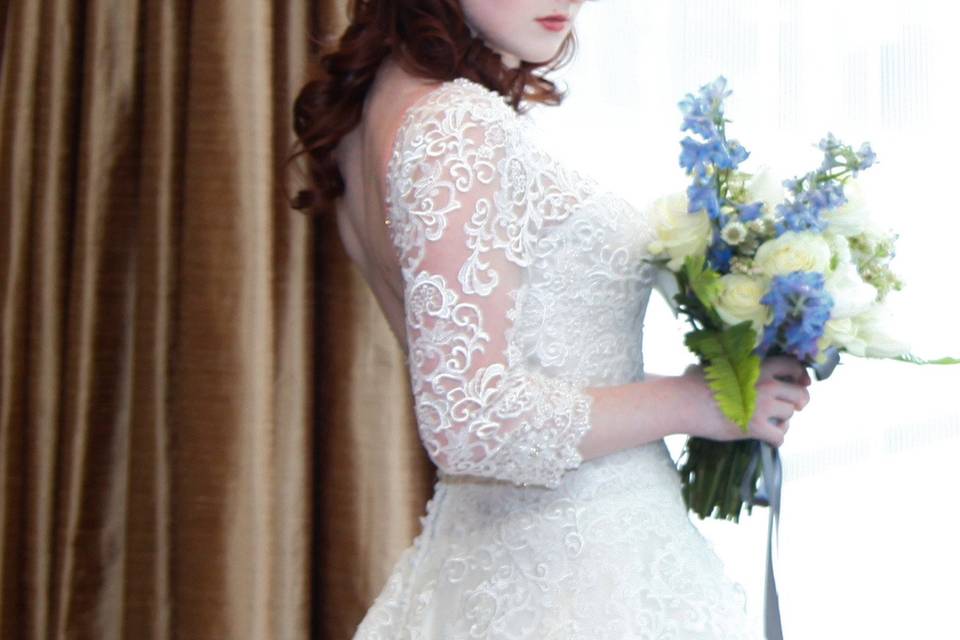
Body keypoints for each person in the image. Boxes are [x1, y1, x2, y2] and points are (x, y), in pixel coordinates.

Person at [289, 1, 812, 637]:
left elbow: (529, 367)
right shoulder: (453, 122)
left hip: (502, 561)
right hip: (581, 575)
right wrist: (698, 403)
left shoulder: (377, 110)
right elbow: (470, 420)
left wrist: (717, 388)